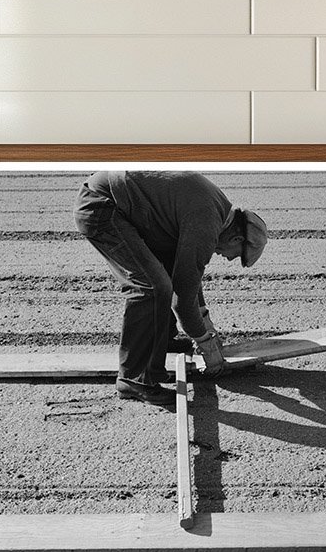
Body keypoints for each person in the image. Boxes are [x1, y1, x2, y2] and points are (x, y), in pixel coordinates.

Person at [72, 170, 268, 406]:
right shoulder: (206, 223)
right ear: (237, 239)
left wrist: (205, 325)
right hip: (102, 207)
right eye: (236, 256)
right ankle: (135, 379)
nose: (227, 258)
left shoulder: (216, 211)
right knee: (152, 286)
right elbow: (183, 300)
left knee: (165, 272)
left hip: (117, 203)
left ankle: (162, 341)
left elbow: (188, 277)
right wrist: (206, 344)